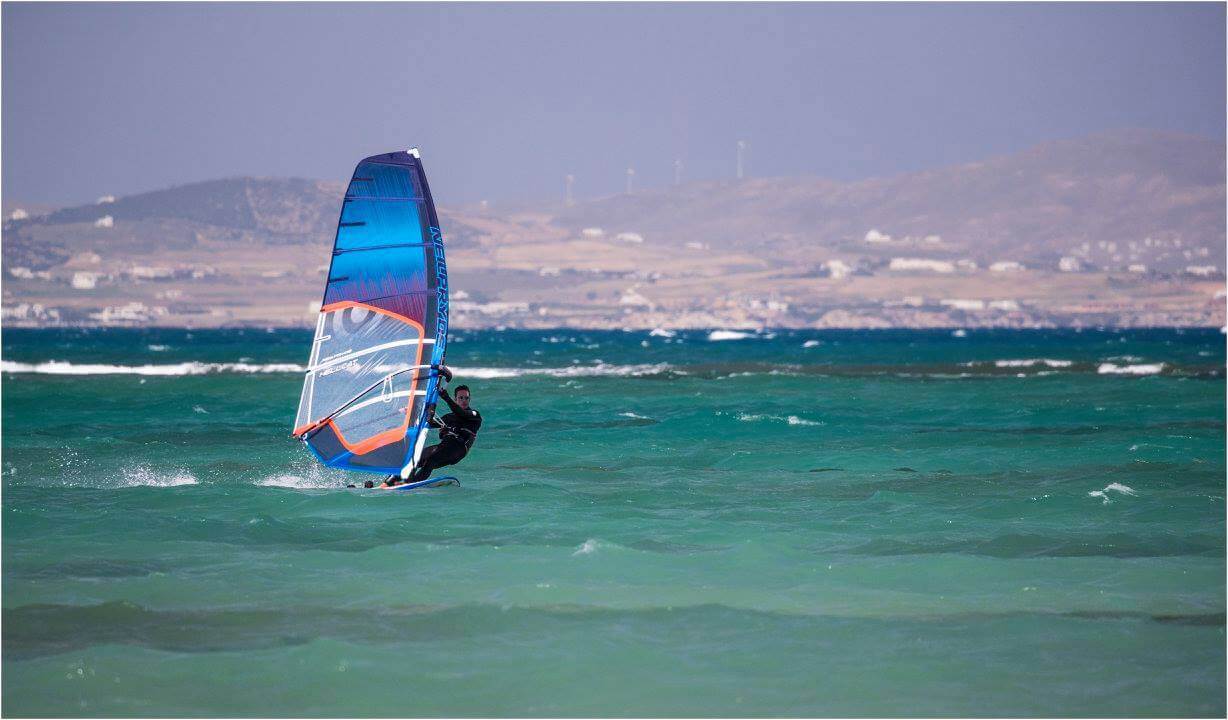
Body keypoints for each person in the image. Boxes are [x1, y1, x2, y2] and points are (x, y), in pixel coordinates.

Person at [383, 384, 481, 487]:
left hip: (457, 450)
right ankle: (387, 484)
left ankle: (411, 483)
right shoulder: (449, 417)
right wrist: (413, 413)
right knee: (412, 459)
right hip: (443, 447)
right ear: (456, 399)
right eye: (461, 398)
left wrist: (445, 397)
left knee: (431, 460)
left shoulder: (474, 415)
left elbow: (461, 413)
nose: (464, 400)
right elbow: (429, 423)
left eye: (466, 398)